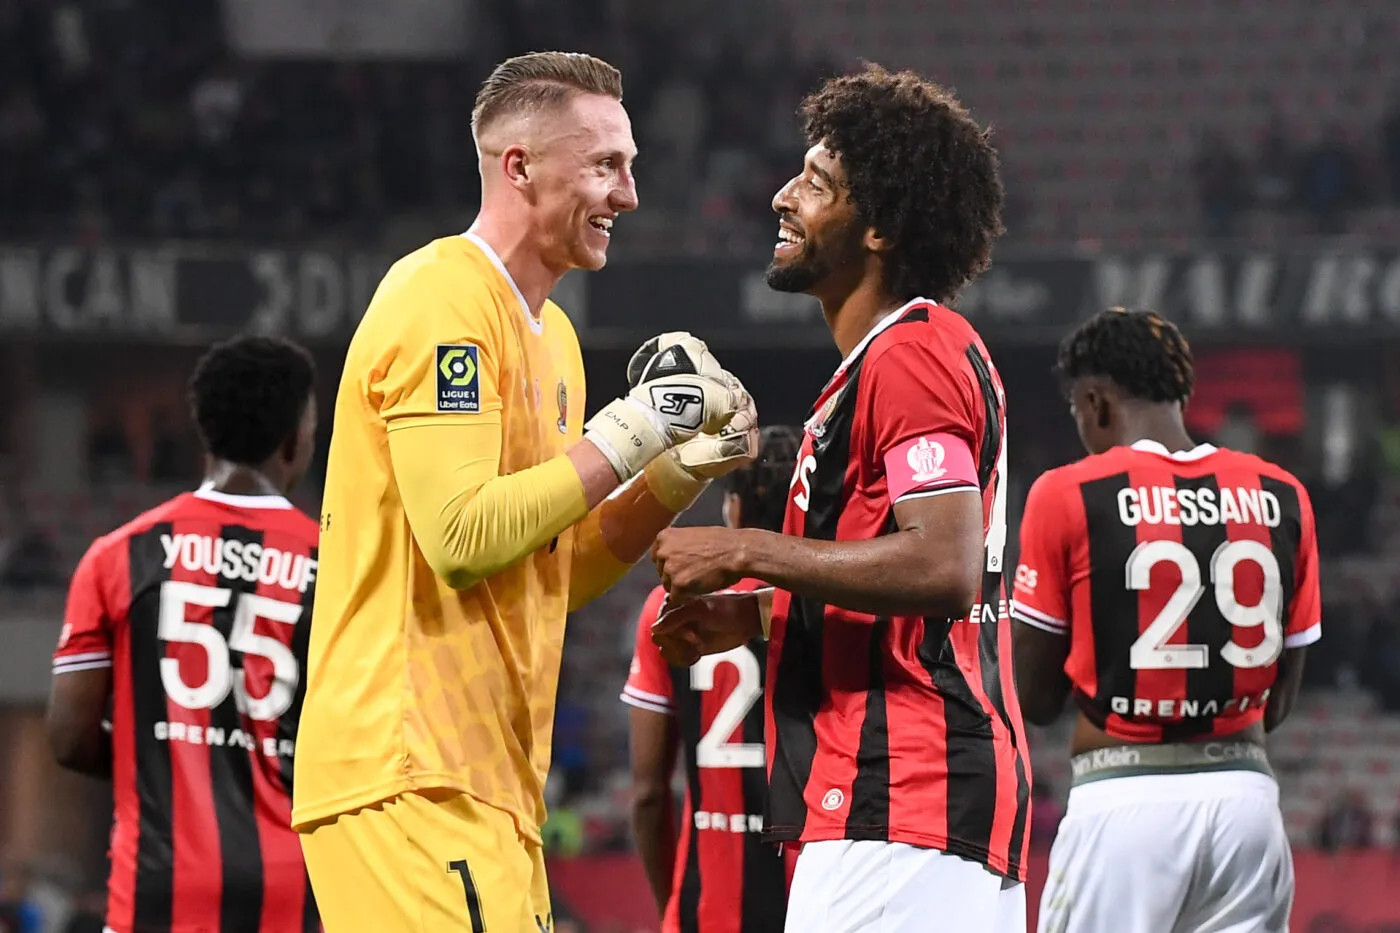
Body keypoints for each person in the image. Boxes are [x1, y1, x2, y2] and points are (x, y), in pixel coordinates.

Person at [291, 51, 756, 933]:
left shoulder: (557, 343)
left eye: (630, 168)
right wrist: (635, 429)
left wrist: (672, 471)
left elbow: (553, 571)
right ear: (519, 168)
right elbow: (462, 537)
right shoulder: (441, 298)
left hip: (493, 783)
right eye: (605, 166)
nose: (628, 196)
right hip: (406, 768)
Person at [649, 65, 1031, 932]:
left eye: (817, 183)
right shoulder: (883, 365)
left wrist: (742, 552)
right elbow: (904, 591)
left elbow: (943, 564)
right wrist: (758, 621)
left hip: (904, 807)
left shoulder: (912, 353)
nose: (784, 196)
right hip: (900, 816)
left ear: (882, 227)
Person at [1009, 308, 1320, 933]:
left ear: (1094, 402)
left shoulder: (1068, 492)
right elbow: (1280, 699)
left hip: (1124, 798)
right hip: (1248, 805)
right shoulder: (1282, 493)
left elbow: (1036, 700)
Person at [47, 335, 322, 933]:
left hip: (154, 895)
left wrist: (161, 756)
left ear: (204, 432)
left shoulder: (118, 556)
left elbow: (69, 739)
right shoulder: (340, 569)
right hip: (295, 892)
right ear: (296, 439)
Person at [623, 426, 802, 933]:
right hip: (812, 903)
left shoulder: (670, 608)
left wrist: (671, 911)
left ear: (735, 509)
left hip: (708, 909)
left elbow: (648, 794)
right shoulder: (826, 604)